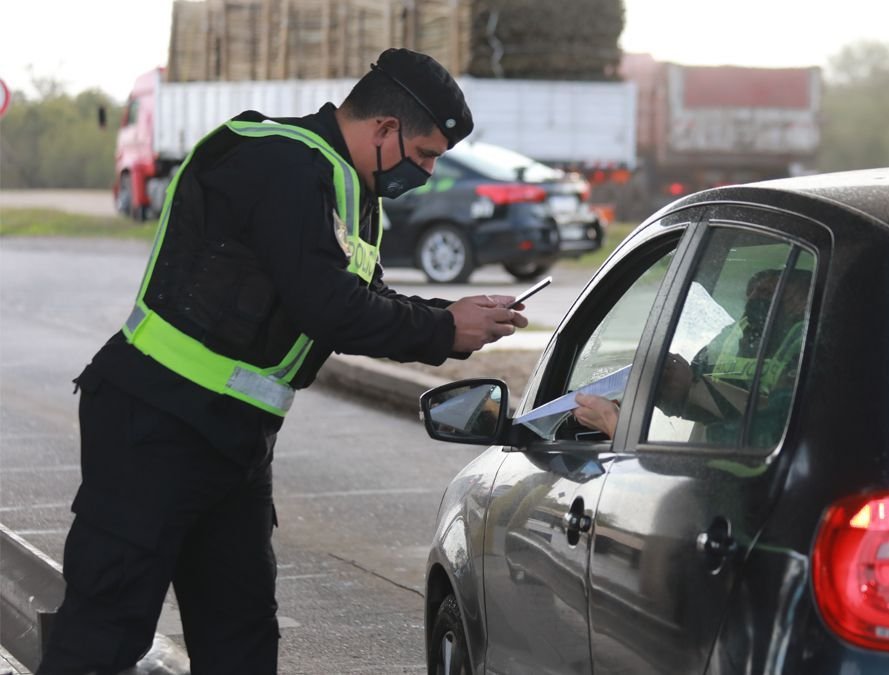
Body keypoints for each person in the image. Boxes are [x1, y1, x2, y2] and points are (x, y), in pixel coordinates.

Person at [38, 49, 528, 675]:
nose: (428, 172)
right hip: (156, 423)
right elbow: (328, 306)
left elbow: (359, 296)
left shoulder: (349, 188)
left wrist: (455, 315)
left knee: (240, 637)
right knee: (104, 632)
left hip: (232, 441)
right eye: (426, 154)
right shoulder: (286, 163)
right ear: (385, 129)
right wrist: (442, 328)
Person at [574, 269, 811, 440]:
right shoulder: (729, 336)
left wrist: (617, 426)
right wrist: (685, 390)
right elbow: (724, 401)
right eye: (754, 291)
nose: (756, 298)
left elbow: (773, 430)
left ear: (802, 300)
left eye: (770, 292)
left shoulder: (806, 344)